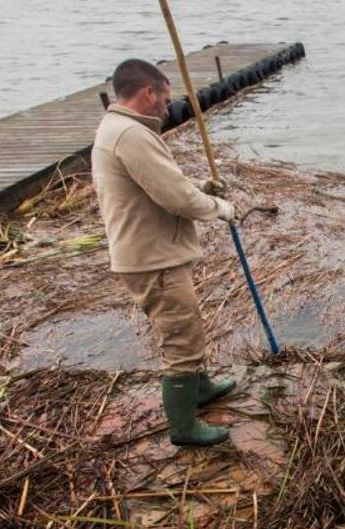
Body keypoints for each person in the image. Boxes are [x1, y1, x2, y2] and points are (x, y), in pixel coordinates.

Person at [92, 59, 237, 446]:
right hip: (152, 259)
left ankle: (201, 387)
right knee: (181, 338)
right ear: (148, 93)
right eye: (166, 99)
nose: (169, 107)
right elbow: (174, 197)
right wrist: (217, 208)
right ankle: (184, 428)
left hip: (152, 251)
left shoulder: (119, 129)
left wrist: (200, 188)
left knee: (188, 323)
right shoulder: (130, 135)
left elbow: (160, 183)